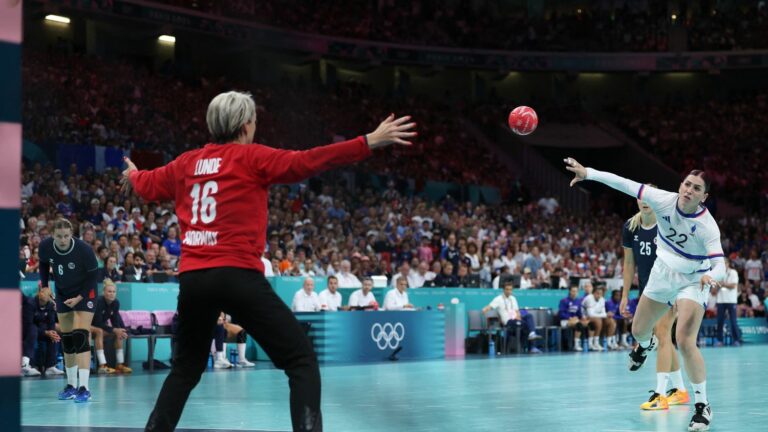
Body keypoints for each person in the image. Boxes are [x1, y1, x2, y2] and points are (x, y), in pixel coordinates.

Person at [122, 90, 415, 432]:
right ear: (246, 125)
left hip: (194, 279)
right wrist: (368, 141)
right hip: (236, 275)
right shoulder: (251, 158)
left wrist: (132, 176)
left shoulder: (185, 163)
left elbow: (146, 183)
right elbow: (309, 160)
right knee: (301, 361)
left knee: (185, 370)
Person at [566, 158, 722, 431]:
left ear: (703, 197)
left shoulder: (707, 225)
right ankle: (645, 346)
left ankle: (702, 406)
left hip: (694, 278)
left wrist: (713, 276)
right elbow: (623, 184)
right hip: (662, 272)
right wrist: (588, 173)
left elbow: (720, 263)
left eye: (696, 188)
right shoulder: (662, 199)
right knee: (639, 331)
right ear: (680, 185)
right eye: (687, 184)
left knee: (684, 339)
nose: (688, 190)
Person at [619, 187, 689, 410]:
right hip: (647, 291)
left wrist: (680, 291)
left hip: (669, 288)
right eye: (641, 198)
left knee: (662, 334)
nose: (645, 201)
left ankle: (660, 394)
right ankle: (679, 389)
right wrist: (624, 296)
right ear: (637, 201)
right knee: (661, 337)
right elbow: (629, 264)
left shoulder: (666, 225)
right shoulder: (631, 226)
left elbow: (681, 257)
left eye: (650, 198)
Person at [38, 218, 99, 403]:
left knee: (80, 336)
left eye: (66, 236)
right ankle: (71, 385)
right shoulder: (46, 246)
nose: (62, 240)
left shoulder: (84, 250)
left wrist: (80, 298)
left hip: (85, 293)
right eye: (59, 236)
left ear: (71, 234)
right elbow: (42, 264)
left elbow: (93, 277)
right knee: (68, 340)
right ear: (53, 235)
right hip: (63, 293)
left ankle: (84, 388)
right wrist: (46, 285)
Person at [482, 280, 542, 354]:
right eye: (507, 289)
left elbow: (517, 311)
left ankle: (532, 335)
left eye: (510, 289)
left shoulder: (513, 298)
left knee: (529, 316)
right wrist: (485, 310)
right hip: (508, 322)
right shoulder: (498, 299)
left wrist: (518, 316)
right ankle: (531, 346)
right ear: (503, 290)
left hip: (516, 319)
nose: (509, 291)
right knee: (527, 326)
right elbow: (490, 306)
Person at [91, 279, 132, 374]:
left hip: (101, 326)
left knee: (118, 333)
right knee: (99, 331)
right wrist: (114, 330)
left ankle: (120, 364)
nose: (112, 294)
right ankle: (102, 366)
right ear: (104, 292)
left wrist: (119, 330)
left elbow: (115, 320)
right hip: (89, 325)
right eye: (109, 291)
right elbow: (98, 323)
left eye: (114, 292)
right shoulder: (99, 301)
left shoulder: (116, 303)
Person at [21, 284, 63, 377]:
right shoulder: (30, 303)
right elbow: (28, 324)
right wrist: (45, 332)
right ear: (39, 293)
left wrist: (51, 332)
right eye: (42, 292)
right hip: (26, 329)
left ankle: (50, 367)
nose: (44, 294)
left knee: (54, 334)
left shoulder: (51, 306)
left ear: (50, 297)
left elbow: (51, 323)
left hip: (41, 330)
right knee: (33, 330)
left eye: (47, 293)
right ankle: (25, 365)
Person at [557, 285, 589, 352]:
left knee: (587, 323)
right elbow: (561, 313)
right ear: (570, 292)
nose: (574, 293)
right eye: (573, 291)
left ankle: (589, 343)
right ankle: (576, 345)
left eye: (576, 291)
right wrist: (569, 318)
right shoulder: (563, 301)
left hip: (576, 320)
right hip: (565, 321)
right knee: (578, 324)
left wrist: (582, 318)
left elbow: (579, 313)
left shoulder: (578, 301)